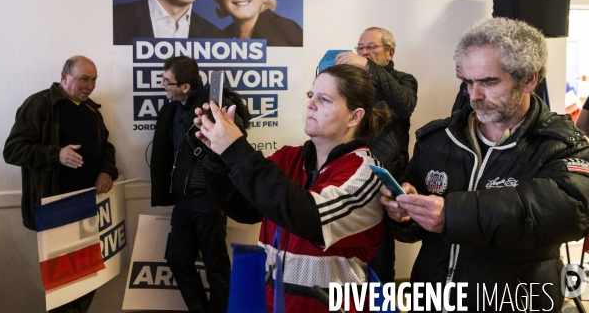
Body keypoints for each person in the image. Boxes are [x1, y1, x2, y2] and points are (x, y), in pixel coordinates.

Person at [382, 17, 589, 312]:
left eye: (489, 82)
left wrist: (452, 214)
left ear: (529, 79)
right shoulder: (438, 138)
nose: (474, 95)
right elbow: (413, 222)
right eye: (468, 81)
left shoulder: (562, 143)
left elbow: (569, 210)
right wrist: (402, 212)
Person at [194, 64, 390, 312]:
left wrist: (235, 149)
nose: (310, 104)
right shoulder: (288, 157)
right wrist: (217, 156)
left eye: (325, 99)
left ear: (355, 116)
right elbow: (245, 209)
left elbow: (308, 217)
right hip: (274, 305)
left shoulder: (367, 174)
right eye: (311, 95)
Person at [3, 55, 118, 313]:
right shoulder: (40, 105)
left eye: (94, 80)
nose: (90, 86)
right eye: (84, 79)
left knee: (88, 280)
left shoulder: (91, 110)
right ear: (64, 77)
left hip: (87, 209)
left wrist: (107, 171)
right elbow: (12, 151)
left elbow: (106, 147)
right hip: (54, 210)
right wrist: (56, 154)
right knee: (62, 288)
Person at [150, 56, 250, 313]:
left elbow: (236, 137)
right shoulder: (172, 109)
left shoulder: (217, 106)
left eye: (166, 81)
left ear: (185, 87)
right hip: (183, 198)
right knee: (177, 259)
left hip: (210, 198)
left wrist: (214, 123)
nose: (162, 85)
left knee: (216, 266)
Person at [335, 27, 418, 284]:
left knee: (380, 254)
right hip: (350, 169)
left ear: (390, 52)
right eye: (360, 48)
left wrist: (367, 66)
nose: (363, 53)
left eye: (371, 47)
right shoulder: (353, 84)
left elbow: (404, 105)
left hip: (386, 172)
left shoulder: (405, 80)